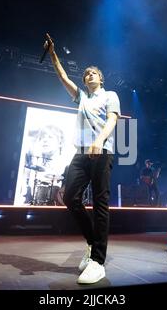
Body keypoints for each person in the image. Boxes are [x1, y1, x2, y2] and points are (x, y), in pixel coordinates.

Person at [44, 33, 121, 284]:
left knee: (100, 203)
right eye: (86, 73)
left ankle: (98, 261)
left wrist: (99, 141)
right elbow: (62, 76)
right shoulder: (81, 97)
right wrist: (53, 54)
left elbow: (112, 120)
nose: (88, 75)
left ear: (101, 78)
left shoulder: (110, 95)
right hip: (80, 154)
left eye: (93, 73)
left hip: (102, 152)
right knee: (69, 197)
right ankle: (91, 243)